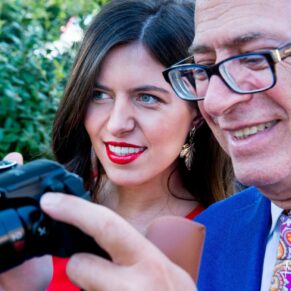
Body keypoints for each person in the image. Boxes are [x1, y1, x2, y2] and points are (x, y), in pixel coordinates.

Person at [0, 0, 234, 290]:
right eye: (99, 94)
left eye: (147, 98)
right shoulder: (41, 209)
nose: (116, 124)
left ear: (196, 113)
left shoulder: (232, 241)